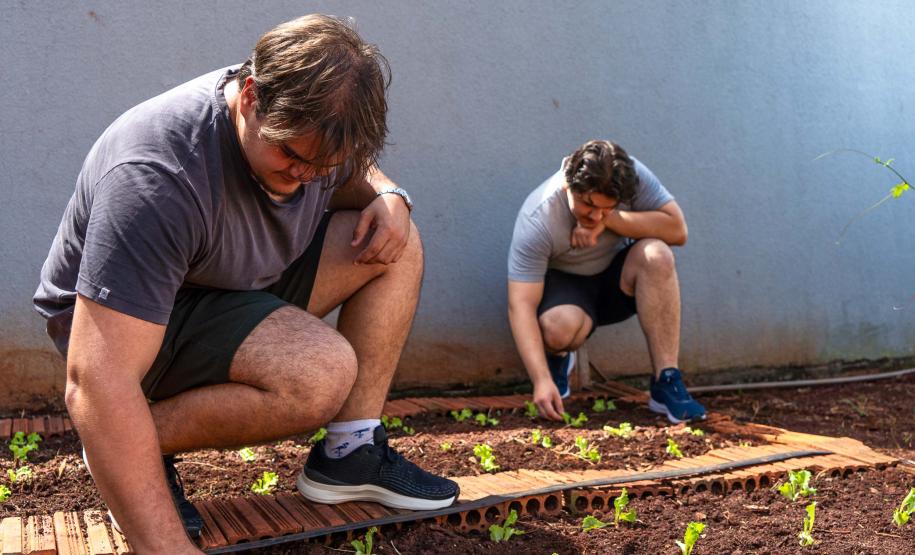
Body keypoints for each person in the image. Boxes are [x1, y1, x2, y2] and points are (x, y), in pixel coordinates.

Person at [33, 14, 457, 554]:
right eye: (292, 157)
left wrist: (391, 195)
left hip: (232, 281)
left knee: (393, 240)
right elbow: (97, 379)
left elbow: (351, 169)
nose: (305, 178)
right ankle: (124, 442)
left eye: (321, 167)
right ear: (251, 95)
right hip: (134, 318)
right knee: (318, 374)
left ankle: (350, 455)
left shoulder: (310, 138)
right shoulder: (158, 176)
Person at [507, 140, 706, 424]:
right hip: (569, 288)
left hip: (618, 280)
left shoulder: (631, 177)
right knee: (558, 329)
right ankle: (559, 356)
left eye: (606, 207)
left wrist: (611, 221)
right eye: (588, 205)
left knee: (658, 254)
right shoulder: (538, 217)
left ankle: (666, 381)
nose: (595, 214)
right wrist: (539, 380)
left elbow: (678, 230)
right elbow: (520, 305)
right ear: (568, 185)